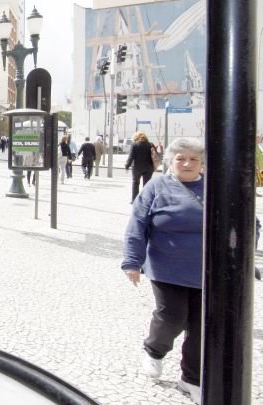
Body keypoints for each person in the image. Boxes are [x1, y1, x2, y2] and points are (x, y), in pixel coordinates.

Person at [121, 138, 205, 404]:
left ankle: (191, 378)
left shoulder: (216, 187)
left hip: (207, 272)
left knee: (202, 326)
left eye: (193, 159)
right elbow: (137, 223)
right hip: (167, 267)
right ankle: (154, 351)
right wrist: (132, 261)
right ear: (170, 161)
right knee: (173, 316)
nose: (187, 163)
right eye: (181, 158)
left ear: (202, 163)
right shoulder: (157, 186)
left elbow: (247, 221)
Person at [125, 131, 156, 202]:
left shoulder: (134, 144)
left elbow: (131, 157)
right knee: (147, 184)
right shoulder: (150, 144)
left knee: (135, 183)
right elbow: (155, 155)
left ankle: (134, 200)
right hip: (148, 167)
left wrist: (127, 166)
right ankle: (146, 200)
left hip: (137, 167)